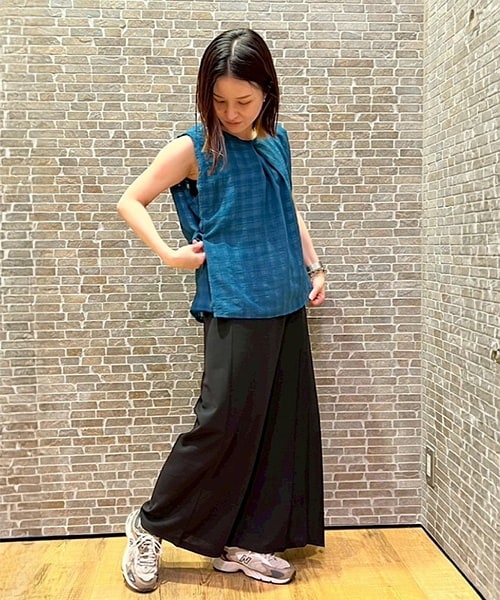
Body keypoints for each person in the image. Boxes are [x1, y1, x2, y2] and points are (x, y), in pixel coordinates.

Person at [117, 28, 326, 593]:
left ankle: (244, 541)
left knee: (277, 424)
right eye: (219, 100)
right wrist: (170, 254)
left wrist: (314, 267)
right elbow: (131, 200)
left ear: (267, 93)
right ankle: (149, 524)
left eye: (244, 101)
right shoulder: (193, 149)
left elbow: (286, 208)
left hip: (285, 296)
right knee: (221, 424)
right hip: (235, 299)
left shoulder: (276, 139)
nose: (231, 113)